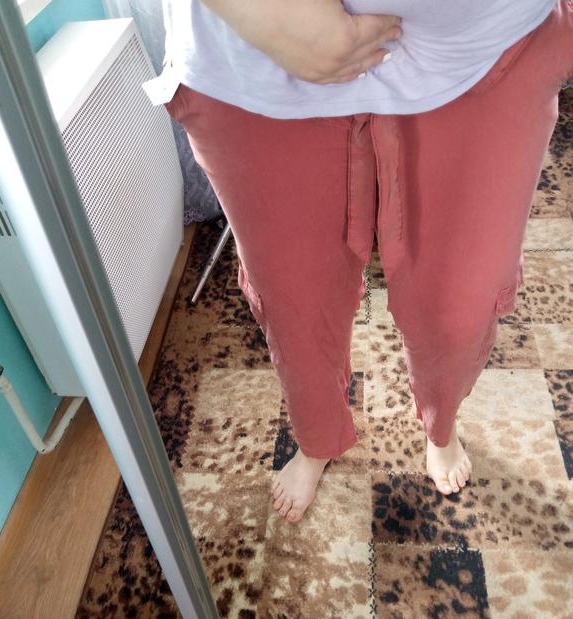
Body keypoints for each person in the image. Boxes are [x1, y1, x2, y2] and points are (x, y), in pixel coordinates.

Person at [155, 0, 573, 524]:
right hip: (251, 58)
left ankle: (441, 424)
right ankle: (317, 437)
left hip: (489, 42)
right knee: (295, 303)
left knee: (461, 306)